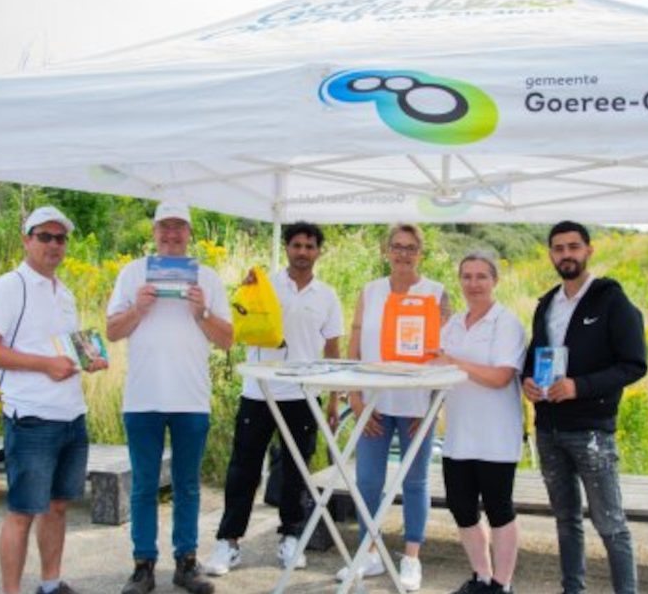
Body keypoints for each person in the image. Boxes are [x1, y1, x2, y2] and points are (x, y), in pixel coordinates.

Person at [0, 205, 108, 594]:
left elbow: (63, 348)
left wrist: (89, 358)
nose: (53, 244)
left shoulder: (63, 291)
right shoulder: (9, 286)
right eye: (44, 236)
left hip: (71, 413)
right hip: (31, 415)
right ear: (26, 240)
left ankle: (50, 585)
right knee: (22, 512)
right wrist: (44, 365)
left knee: (58, 506)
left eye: (60, 238)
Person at [106, 200, 233, 594]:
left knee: (188, 485)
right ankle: (143, 565)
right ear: (154, 232)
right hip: (142, 398)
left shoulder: (207, 278)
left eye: (180, 227)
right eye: (165, 227)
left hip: (191, 398)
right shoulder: (132, 274)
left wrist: (203, 314)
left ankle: (186, 562)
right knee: (144, 485)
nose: (172, 234)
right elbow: (111, 331)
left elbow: (227, 339)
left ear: (189, 234)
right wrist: (139, 309)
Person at [205, 221, 344, 575]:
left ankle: (291, 538)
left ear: (318, 251)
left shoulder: (326, 296)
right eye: (296, 245)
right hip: (259, 391)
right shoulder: (262, 283)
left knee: (297, 470)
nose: (302, 252)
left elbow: (332, 348)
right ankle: (228, 542)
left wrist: (331, 399)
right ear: (287, 248)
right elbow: (238, 321)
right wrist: (244, 291)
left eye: (309, 246)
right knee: (243, 470)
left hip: (303, 394)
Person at [521, 221, 647, 594]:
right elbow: (534, 356)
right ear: (550, 254)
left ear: (588, 250)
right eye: (558, 248)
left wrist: (580, 386)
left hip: (592, 430)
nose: (566, 255)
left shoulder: (612, 300)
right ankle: (572, 589)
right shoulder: (546, 304)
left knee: (610, 524)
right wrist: (526, 380)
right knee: (565, 520)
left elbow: (634, 365)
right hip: (549, 428)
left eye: (573, 247)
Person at [333, 223, 450, 591]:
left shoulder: (436, 292)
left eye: (410, 247)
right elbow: (355, 339)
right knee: (368, 480)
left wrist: (431, 403)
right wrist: (353, 393)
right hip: (372, 401)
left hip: (417, 404)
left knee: (415, 481)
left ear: (421, 252)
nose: (403, 253)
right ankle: (369, 552)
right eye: (397, 246)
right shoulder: (370, 291)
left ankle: (411, 557)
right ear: (386, 250)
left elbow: (443, 353)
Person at [430, 252, 526, 594]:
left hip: (496, 436)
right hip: (458, 434)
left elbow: (500, 377)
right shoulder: (453, 324)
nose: (473, 284)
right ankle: (482, 578)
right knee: (461, 508)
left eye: (481, 276)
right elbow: (436, 368)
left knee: (499, 509)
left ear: (494, 281)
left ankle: (503, 583)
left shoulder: (506, 323)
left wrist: (454, 361)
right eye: (467, 276)